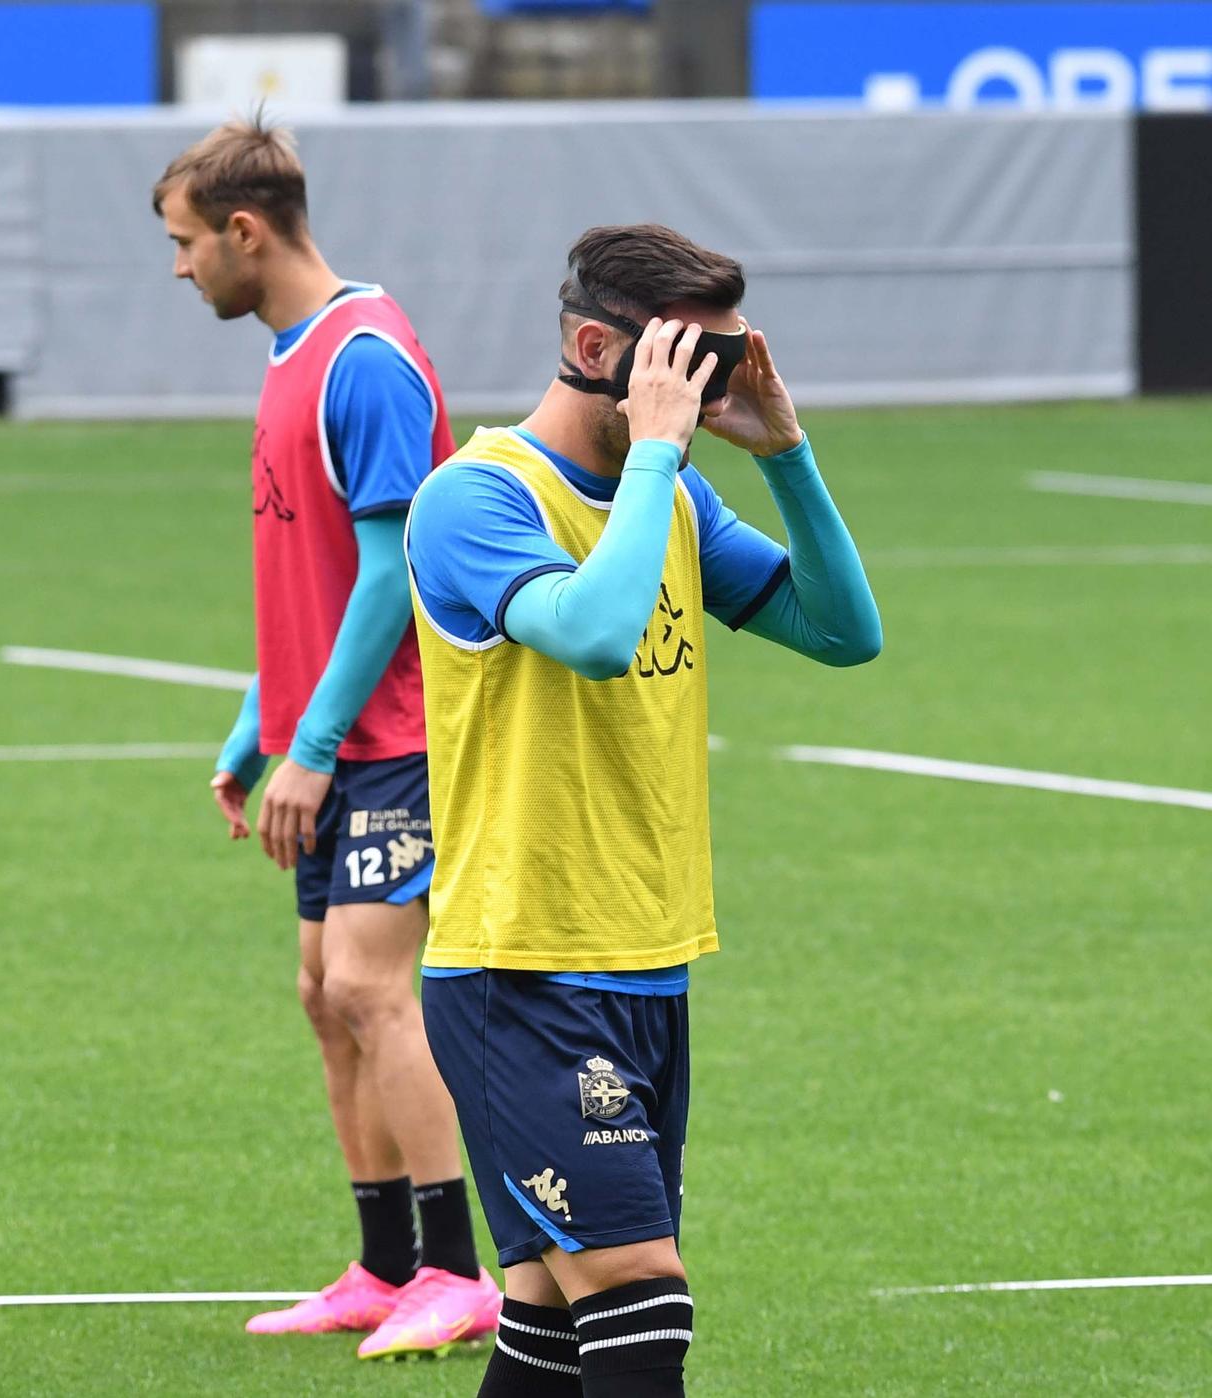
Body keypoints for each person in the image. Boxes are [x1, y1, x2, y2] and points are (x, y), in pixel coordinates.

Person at [404, 224, 883, 1396]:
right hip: (520, 973)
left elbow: (840, 632)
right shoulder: (472, 499)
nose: (708, 392)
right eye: (690, 365)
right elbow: (596, 636)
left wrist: (783, 456)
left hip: (647, 963)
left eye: (725, 366)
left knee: (549, 1329)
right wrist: (662, 457)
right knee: (639, 1307)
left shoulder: (663, 501)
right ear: (591, 346)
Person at [153, 116, 501, 1360]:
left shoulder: (361, 358)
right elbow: (303, 572)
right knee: (321, 996)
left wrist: (310, 742)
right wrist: (258, 727)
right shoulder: (291, 350)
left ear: (246, 232)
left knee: (368, 985)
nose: (180, 268)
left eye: (187, 244)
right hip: (324, 735)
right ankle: (383, 1264)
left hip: (391, 741)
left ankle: (461, 1276)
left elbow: (390, 571)